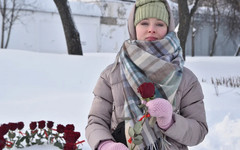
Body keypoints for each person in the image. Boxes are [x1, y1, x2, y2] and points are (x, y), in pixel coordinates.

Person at [85, 0, 208, 149]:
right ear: (133, 27)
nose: (151, 29)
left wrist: (170, 121)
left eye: (160, 24)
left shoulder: (186, 79)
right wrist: (105, 145)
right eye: (144, 23)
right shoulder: (111, 74)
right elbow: (96, 122)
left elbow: (199, 131)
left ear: (168, 28)